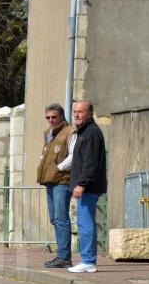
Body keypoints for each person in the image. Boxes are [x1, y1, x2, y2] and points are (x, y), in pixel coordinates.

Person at [68, 100, 107, 273]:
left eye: (81, 112)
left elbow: (90, 163)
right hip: (87, 186)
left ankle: (88, 260)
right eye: (75, 111)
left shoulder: (90, 133)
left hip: (88, 187)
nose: (77, 114)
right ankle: (88, 261)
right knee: (85, 222)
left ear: (90, 113)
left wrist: (81, 184)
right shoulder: (84, 132)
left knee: (85, 223)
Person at [36, 103, 76, 268]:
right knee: (55, 219)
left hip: (62, 181)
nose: (51, 120)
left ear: (61, 116)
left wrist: (58, 168)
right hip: (50, 180)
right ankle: (62, 255)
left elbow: (74, 156)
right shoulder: (49, 134)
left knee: (61, 219)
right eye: (48, 117)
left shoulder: (70, 132)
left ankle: (64, 257)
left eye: (54, 117)